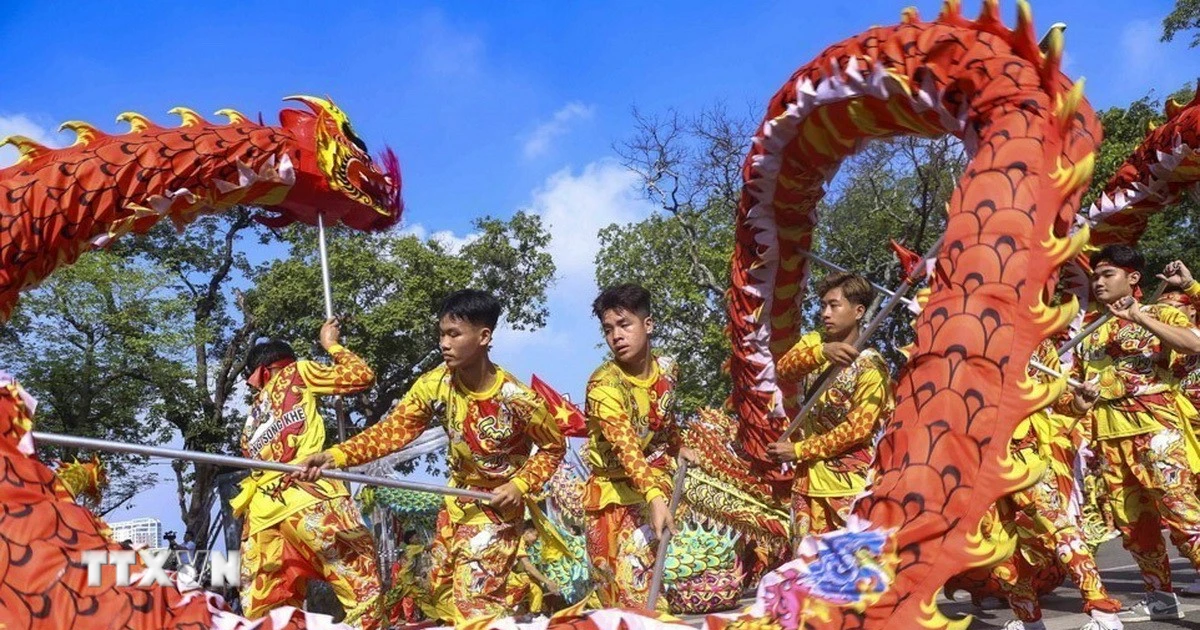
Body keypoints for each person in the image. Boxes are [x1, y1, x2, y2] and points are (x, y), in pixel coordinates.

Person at [295, 290, 566, 623]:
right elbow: (391, 431)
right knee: (439, 593)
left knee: (475, 606)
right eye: (441, 334)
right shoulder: (434, 384)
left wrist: (521, 485)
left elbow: (554, 447)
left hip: (497, 512)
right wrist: (333, 456)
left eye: (454, 334)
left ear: (483, 337)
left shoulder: (519, 399)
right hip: (456, 505)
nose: (444, 343)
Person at [1062, 245, 1200, 622]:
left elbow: (1195, 343)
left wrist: (1139, 316)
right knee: (1135, 529)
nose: (1098, 282)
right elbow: (1076, 398)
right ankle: (1160, 596)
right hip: (1110, 442)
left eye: (1107, 274)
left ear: (1133, 278)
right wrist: (1081, 400)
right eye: (1095, 276)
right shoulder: (1090, 330)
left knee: (1186, 523)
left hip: (1158, 436)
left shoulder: (1160, 312)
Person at [233, 318, 382, 629]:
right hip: (310, 499)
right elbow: (361, 376)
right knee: (362, 588)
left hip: (261, 520)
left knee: (270, 616)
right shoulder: (297, 371)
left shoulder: (249, 423)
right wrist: (332, 345)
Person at [766, 272, 893, 543]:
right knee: (803, 569)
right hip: (806, 485)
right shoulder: (815, 347)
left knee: (850, 572)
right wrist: (822, 353)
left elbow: (857, 430)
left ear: (858, 311)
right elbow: (784, 369)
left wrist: (799, 450)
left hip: (848, 487)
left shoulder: (871, 365)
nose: (825, 313)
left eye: (834, 306)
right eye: (823, 305)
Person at [582, 283, 685, 609]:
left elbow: (665, 418)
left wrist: (678, 445)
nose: (616, 336)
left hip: (651, 487)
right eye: (608, 329)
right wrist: (654, 497)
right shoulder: (604, 384)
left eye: (624, 324)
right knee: (612, 599)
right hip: (610, 495)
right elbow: (626, 446)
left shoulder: (668, 369)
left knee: (644, 591)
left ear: (648, 324)